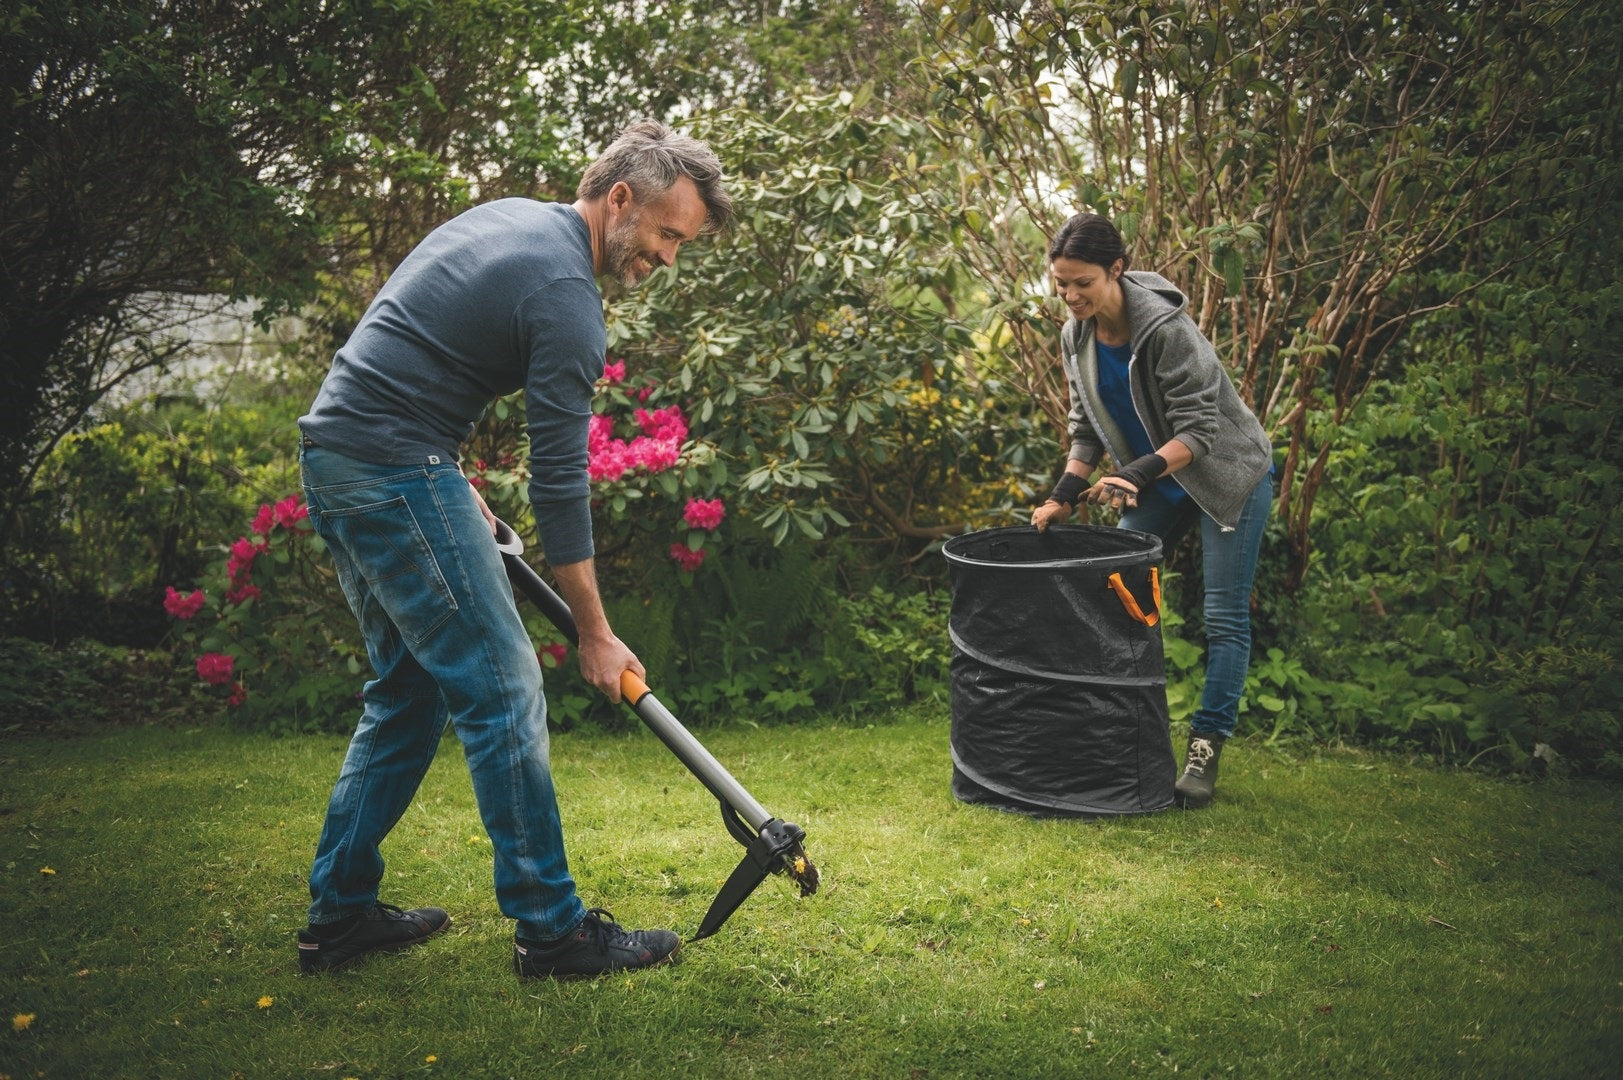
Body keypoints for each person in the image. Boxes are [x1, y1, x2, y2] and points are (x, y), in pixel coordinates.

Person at [293, 121, 733, 977]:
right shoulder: (565, 295)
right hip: (391, 466)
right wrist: (595, 633)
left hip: (340, 456)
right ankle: (552, 931)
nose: (668, 257)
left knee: (409, 690)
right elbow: (559, 485)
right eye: (666, 234)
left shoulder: (513, 219)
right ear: (618, 200)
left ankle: (338, 916)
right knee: (503, 686)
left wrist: (445, 478)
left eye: (682, 242)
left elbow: (409, 349)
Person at [1031, 212, 1273, 809]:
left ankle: (1203, 752)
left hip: (1226, 476)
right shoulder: (1076, 336)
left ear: (1116, 270)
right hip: (1156, 481)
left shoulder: (1167, 330)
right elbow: (1085, 427)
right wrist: (1062, 494)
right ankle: (1125, 736)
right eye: (1061, 283)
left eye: (1082, 282)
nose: (1071, 296)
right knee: (1114, 595)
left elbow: (1199, 432)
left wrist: (1131, 474)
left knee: (1223, 617)